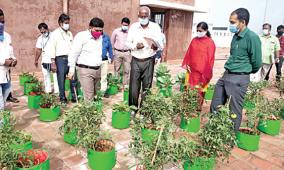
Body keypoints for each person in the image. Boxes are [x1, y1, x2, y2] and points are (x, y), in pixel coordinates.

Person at [210, 8, 262, 131]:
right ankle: (214, 132)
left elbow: (257, 62)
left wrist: (244, 72)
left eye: (233, 22)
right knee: (215, 105)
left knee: (234, 111)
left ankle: (229, 138)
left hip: (239, 78)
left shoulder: (252, 37)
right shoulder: (235, 36)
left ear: (242, 22)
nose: (230, 25)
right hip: (226, 75)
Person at [126, 6, 161, 108]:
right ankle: (133, 108)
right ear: (138, 15)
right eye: (141, 16)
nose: (143, 18)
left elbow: (161, 45)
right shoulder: (133, 27)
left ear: (149, 16)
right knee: (133, 86)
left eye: (145, 16)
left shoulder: (155, 27)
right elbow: (127, 43)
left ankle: (144, 109)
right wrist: (135, 46)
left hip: (149, 60)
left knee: (147, 86)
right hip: (136, 60)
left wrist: (156, 47)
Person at [182, 22, 216, 109]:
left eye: (200, 30)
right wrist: (187, 64)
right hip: (191, 72)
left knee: (199, 93)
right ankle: (187, 112)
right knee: (188, 92)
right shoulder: (194, 40)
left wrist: (206, 74)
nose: (198, 32)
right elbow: (189, 53)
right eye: (197, 30)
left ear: (206, 30)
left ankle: (196, 114)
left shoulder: (210, 43)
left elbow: (210, 59)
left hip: (202, 74)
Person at [47, 13, 77, 103]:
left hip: (70, 58)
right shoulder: (54, 34)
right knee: (61, 79)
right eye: (65, 23)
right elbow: (52, 47)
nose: (67, 24)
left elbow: (73, 46)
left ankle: (74, 96)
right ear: (60, 23)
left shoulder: (70, 34)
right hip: (60, 59)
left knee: (73, 78)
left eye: (68, 23)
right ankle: (62, 98)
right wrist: (53, 62)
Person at [0, 9, 17, 110]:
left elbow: (10, 52)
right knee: (0, 105)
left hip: (6, 75)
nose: (1, 24)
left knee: (5, 97)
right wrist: (3, 61)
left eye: (2, 22)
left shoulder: (7, 36)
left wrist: (14, 60)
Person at [35, 23, 59, 93]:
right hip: (45, 60)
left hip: (54, 60)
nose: (43, 33)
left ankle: (57, 91)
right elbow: (39, 49)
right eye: (41, 32)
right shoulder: (40, 38)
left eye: (44, 31)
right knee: (46, 76)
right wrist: (36, 60)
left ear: (47, 29)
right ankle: (48, 91)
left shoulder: (54, 36)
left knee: (55, 77)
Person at [111, 17, 131, 89]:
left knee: (127, 69)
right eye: (123, 24)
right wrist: (113, 52)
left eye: (126, 25)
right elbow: (112, 42)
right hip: (118, 52)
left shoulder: (130, 32)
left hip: (127, 53)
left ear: (128, 25)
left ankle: (125, 84)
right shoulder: (116, 31)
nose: (124, 26)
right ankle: (117, 84)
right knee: (117, 69)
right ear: (121, 24)